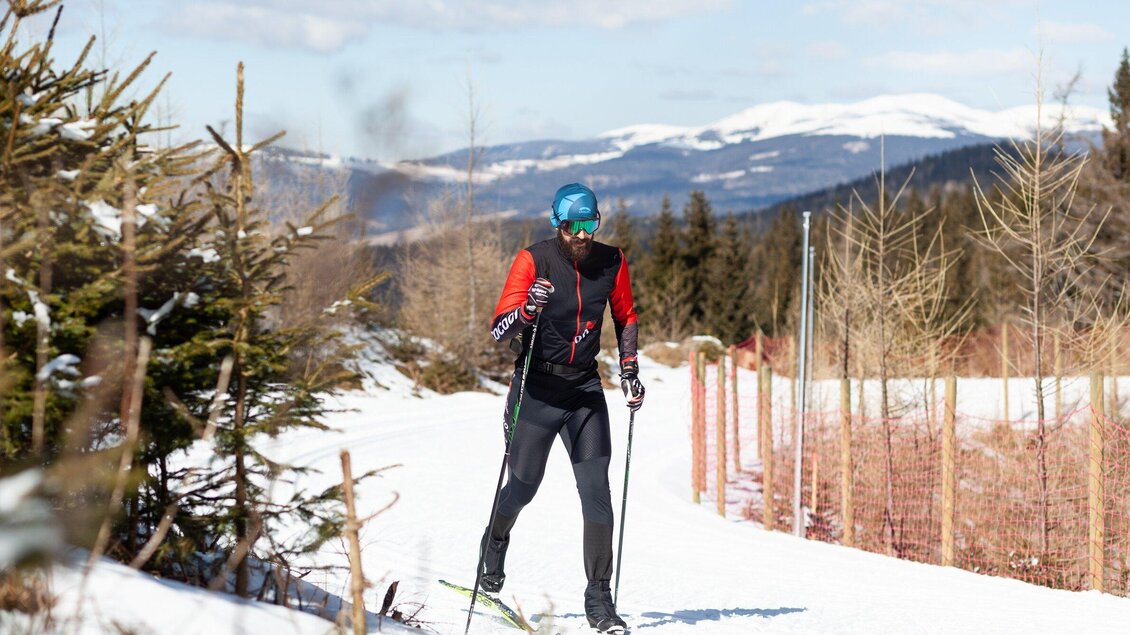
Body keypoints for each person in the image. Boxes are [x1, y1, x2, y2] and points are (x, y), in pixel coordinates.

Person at [482, 182, 645, 633]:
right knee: (522, 488)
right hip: (536, 390)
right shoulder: (533, 260)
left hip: (584, 391)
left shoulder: (612, 261)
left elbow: (625, 315)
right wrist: (529, 309)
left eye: (590, 224)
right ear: (557, 223)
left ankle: (600, 597)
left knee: (597, 494)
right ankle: (494, 544)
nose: (582, 234)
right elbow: (499, 331)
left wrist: (629, 367)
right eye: (573, 225)